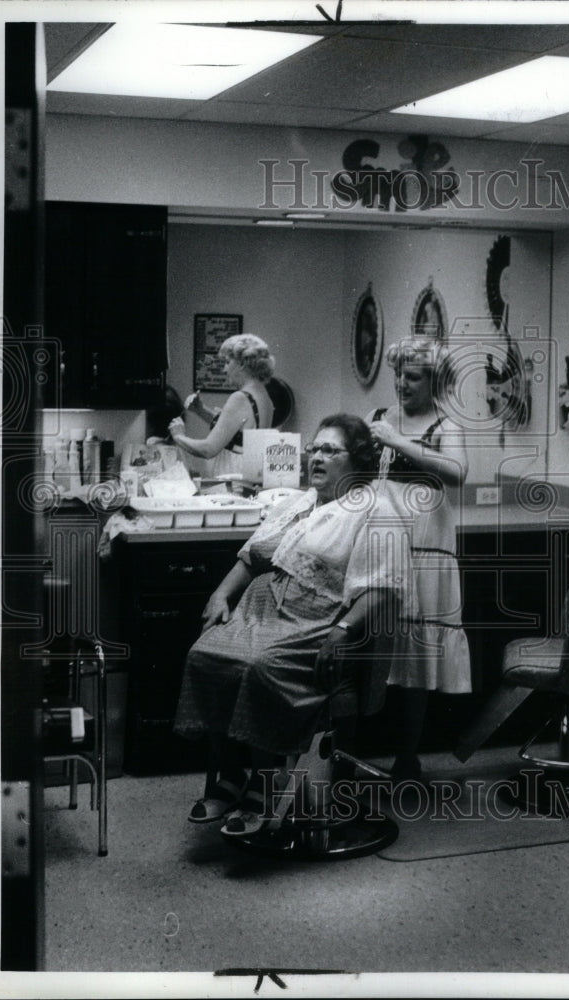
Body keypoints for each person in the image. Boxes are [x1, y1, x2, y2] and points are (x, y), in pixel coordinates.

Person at [173, 414, 412, 837]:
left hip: (318, 618)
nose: (316, 457)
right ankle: (229, 777)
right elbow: (252, 556)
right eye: (314, 449)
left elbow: (383, 588)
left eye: (329, 450)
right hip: (263, 606)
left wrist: (342, 632)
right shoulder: (300, 502)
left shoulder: (375, 511)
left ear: (356, 460)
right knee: (205, 654)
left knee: (259, 667)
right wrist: (221, 594)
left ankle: (264, 789)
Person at [366, 338, 472, 782]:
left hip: (427, 551)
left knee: (416, 652)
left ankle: (407, 756)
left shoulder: (447, 424)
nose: (401, 384)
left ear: (435, 381)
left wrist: (398, 441)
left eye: (413, 377)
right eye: (398, 374)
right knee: (372, 646)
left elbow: (457, 473)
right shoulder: (377, 419)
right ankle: (353, 748)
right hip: (380, 542)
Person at [168, 334, 275, 476]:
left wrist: (178, 436)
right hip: (248, 476)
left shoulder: (240, 398)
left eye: (227, 362)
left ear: (242, 363)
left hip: (231, 479)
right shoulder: (264, 398)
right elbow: (237, 433)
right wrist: (201, 410)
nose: (224, 370)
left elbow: (208, 449)